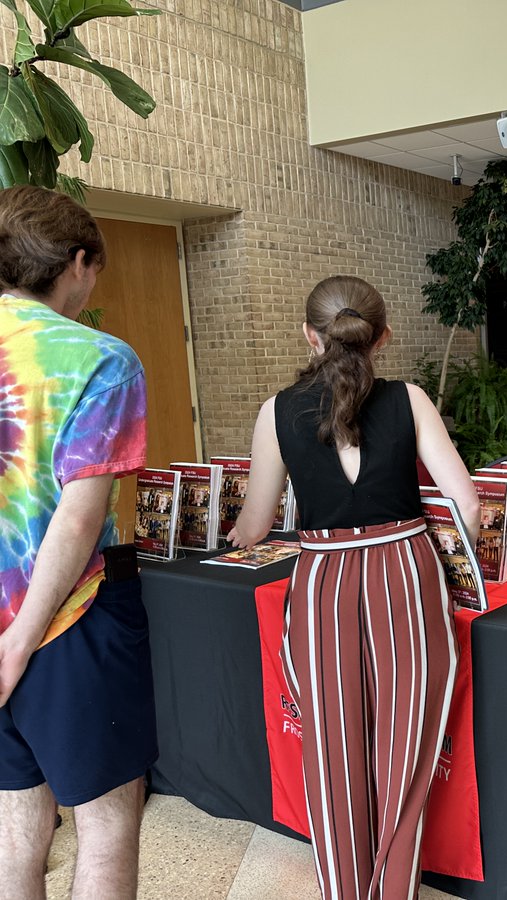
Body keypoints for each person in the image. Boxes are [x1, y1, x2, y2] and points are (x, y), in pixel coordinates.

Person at [229, 275, 478, 900]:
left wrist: (230, 530)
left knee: (333, 752)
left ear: (309, 336)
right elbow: (466, 503)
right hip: (405, 576)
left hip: (322, 582)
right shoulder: (411, 399)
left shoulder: (277, 410)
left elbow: (255, 527)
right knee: (406, 750)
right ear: (382, 338)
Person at [0, 185, 156, 900]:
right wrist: (20, 641)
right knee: (104, 825)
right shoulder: (101, 359)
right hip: (73, 616)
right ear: (77, 262)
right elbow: (77, 517)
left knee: (13, 823)